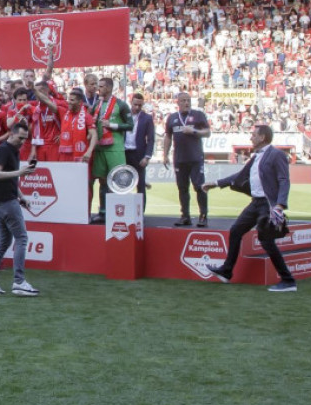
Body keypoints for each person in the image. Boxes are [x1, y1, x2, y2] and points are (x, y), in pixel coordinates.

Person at [203, 125, 296, 292]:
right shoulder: (255, 157)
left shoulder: (277, 155)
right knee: (236, 230)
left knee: (266, 240)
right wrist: (216, 183)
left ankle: (288, 281)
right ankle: (226, 271)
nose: (250, 138)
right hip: (256, 204)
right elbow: (240, 176)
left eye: (253, 135)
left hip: (268, 205)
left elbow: (284, 180)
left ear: (262, 138)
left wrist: (280, 206)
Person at [0, 122, 40, 297]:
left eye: (25, 138)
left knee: (5, 242)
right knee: (21, 238)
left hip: (3, 202)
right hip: (5, 203)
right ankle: (19, 282)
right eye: (20, 138)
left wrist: (21, 196)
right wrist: (19, 173)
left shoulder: (13, 150)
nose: (23, 141)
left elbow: (8, 178)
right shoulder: (3, 150)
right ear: (11, 134)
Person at [163, 92, 211, 227]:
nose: (186, 103)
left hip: (195, 158)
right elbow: (168, 136)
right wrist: (165, 154)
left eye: (188, 100)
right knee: (182, 188)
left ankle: (203, 216)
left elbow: (207, 132)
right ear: (177, 103)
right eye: (183, 100)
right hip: (179, 158)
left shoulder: (198, 115)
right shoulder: (172, 118)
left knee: (199, 187)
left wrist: (194, 131)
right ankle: (185, 216)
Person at [89, 77, 133, 223]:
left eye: (101, 86)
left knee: (118, 181)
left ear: (108, 88)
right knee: (102, 181)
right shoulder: (97, 105)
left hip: (115, 148)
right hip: (100, 148)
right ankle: (102, 212)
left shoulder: (121, 105)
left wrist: (113, 125)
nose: (98, 89)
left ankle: (121, 213)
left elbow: (130, 125)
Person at [125, 92, 155, 212]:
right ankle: (123, 211)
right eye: (135, 104)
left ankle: (140, 213)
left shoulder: (147, 118)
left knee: (141, 185)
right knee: (123, 184)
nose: (137, 107)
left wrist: (147, 157)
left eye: (140, 105)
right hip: (124, 152)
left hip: (139, 154)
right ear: (131, 102)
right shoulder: (124, 116)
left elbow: (151, 139)